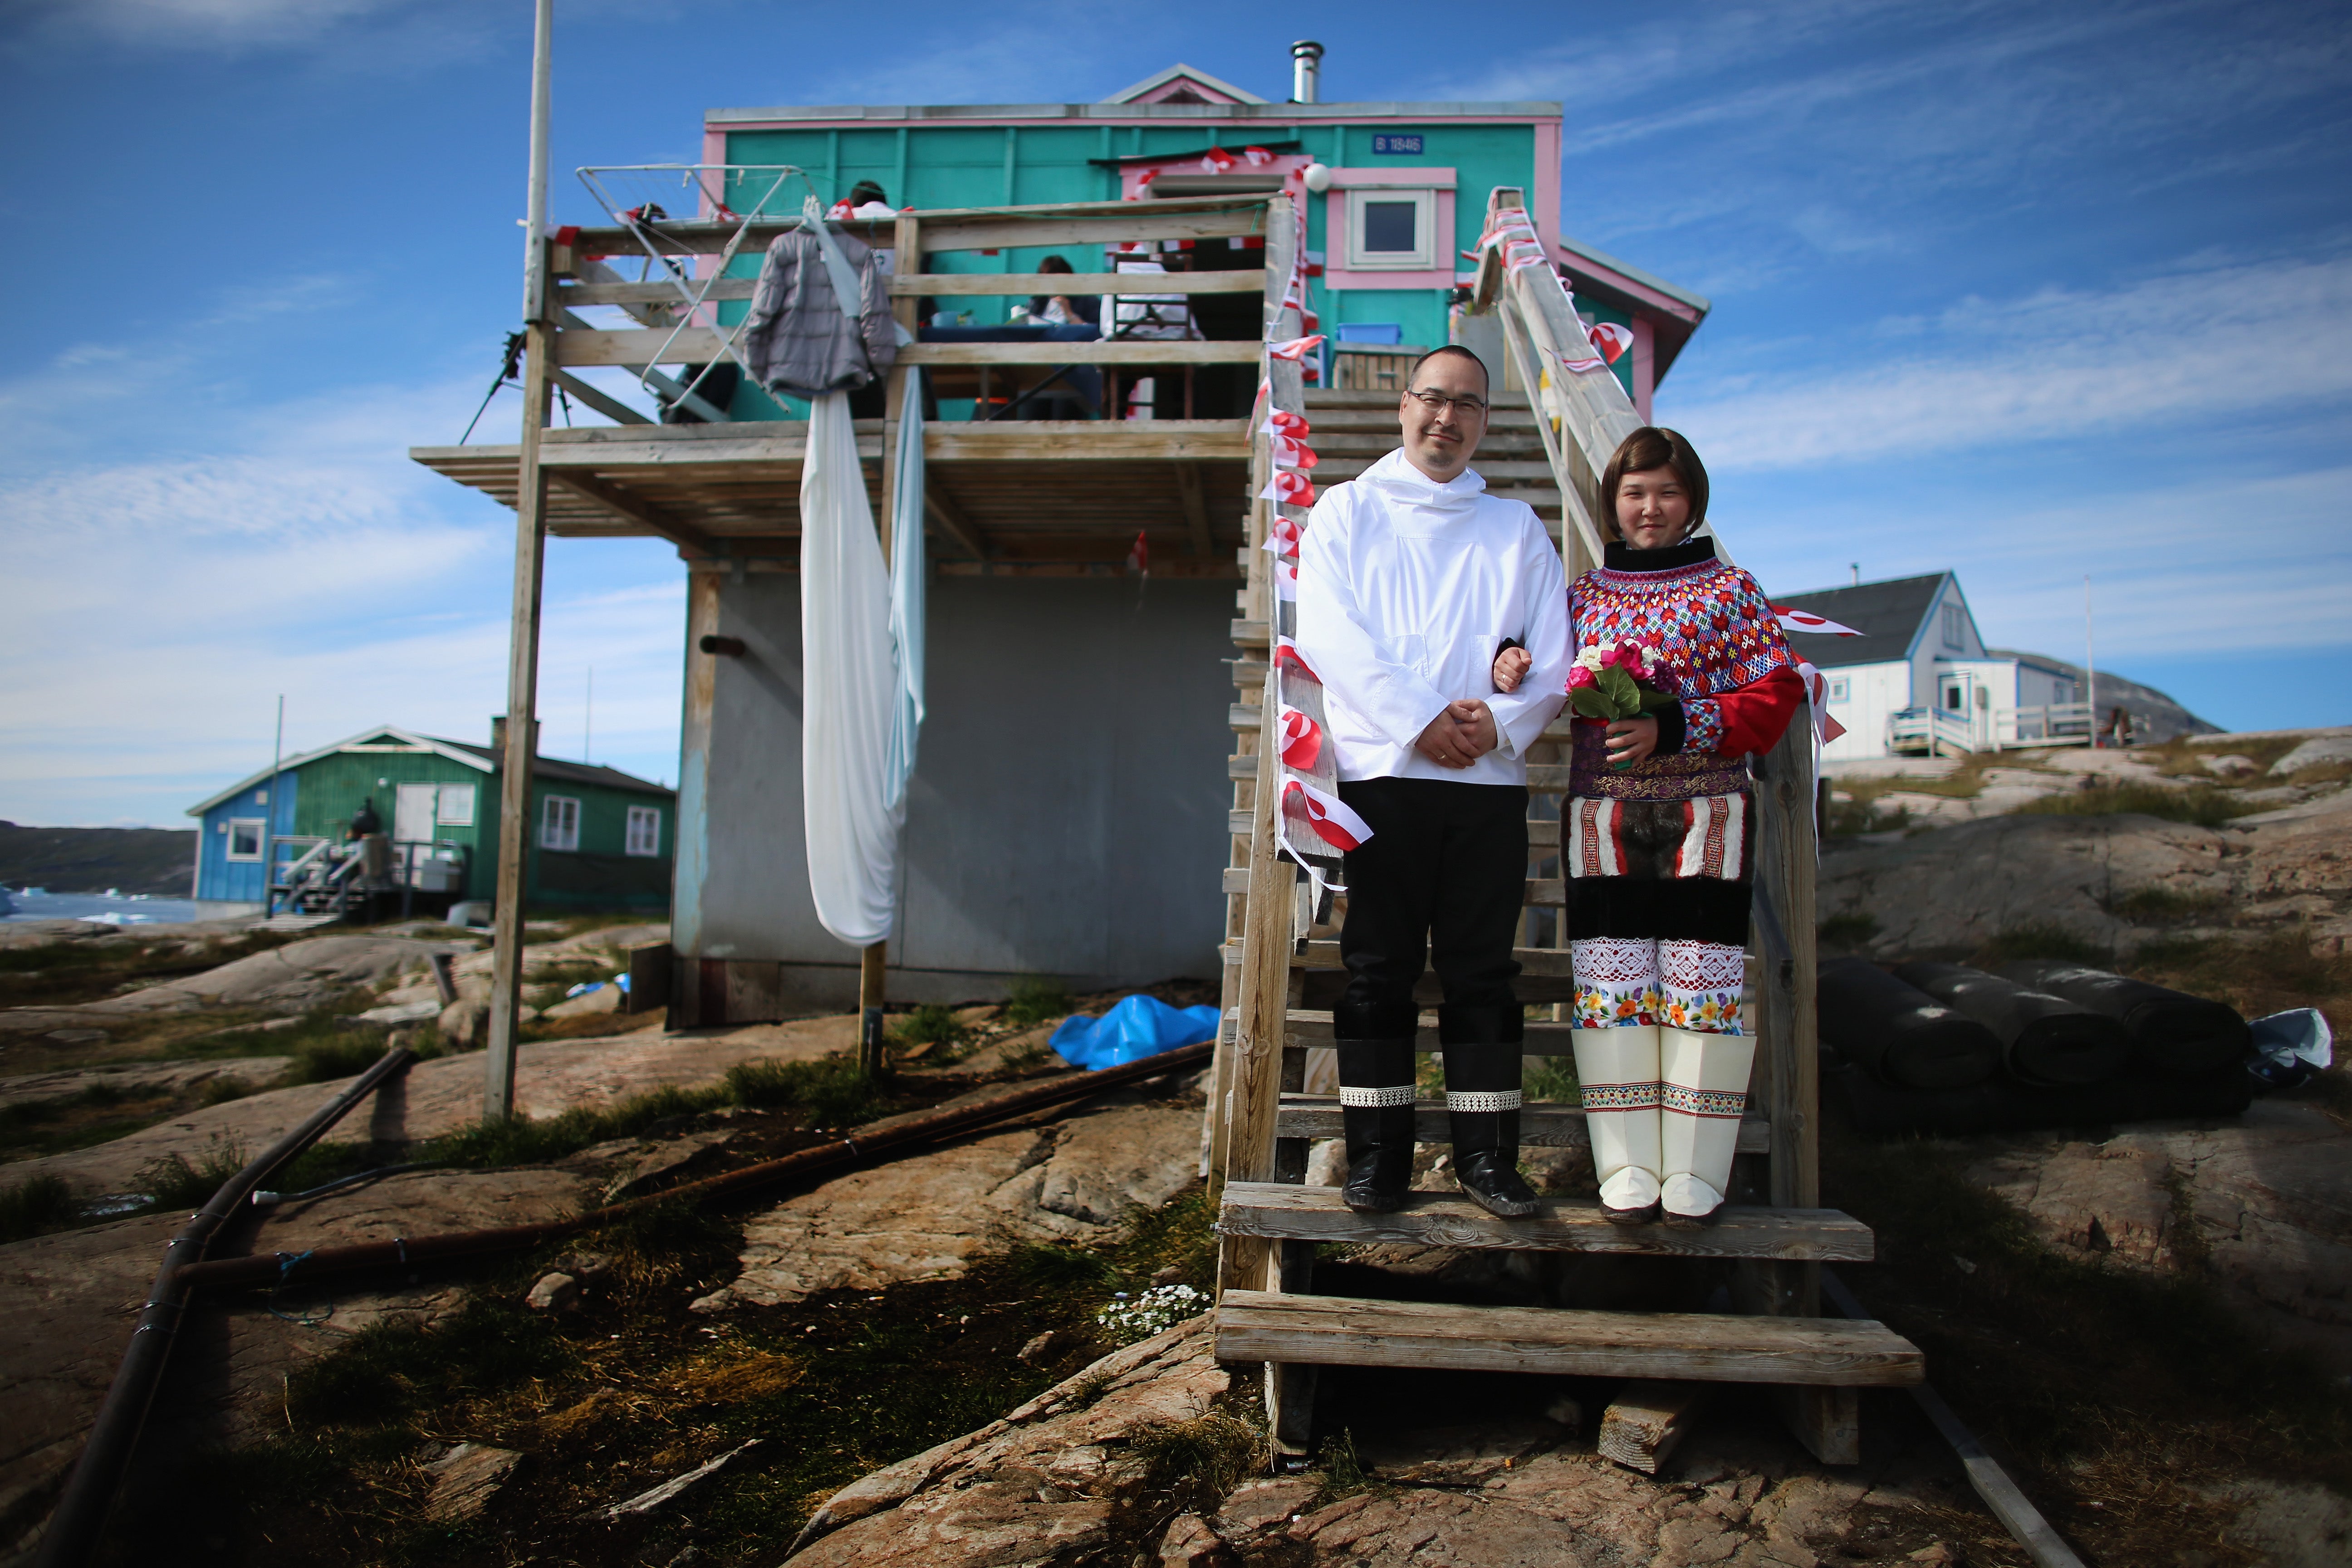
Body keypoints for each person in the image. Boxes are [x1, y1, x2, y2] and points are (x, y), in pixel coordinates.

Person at [1498, 427, 1802, 1229]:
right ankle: (1626, 1162)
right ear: (1611, 503)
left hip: (1706, 816)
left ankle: (1695, 1166)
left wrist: (1675, 726)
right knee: (1610, 987)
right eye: (1633, 493)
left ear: (1691, 499)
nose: (1649, 508)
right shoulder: (1582, 595)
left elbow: (1772, 696)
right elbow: (1538, 662)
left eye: (1665, 492)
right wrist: (1506, 660)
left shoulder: (1730, 591)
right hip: (1603, 816)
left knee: (1700, 989)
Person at [1294, 345, 1570, 1218]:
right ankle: (1379, 1159)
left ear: (1484, 422)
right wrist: (1420, 718)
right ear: (1402, 406)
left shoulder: (1515, 528)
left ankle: (1486, 1158)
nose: (1445, 419)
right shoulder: (1344, 513)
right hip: (1381, 777)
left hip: (1485, 787)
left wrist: (1495, 724)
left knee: (1480, 973)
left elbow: (1554, 649)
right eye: (1431, 400)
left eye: (1466, 406)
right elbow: (1331, 637)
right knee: (1375, 972)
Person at [1029, 254, 1101, 329]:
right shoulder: (1038, 302)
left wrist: (1069, 314)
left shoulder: (1087, 301)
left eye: (1052, 280)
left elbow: (1095, 332)